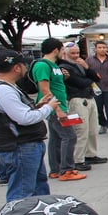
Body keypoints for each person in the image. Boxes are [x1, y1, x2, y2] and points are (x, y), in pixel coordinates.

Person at [0, 49, 59, 201]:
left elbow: (15, 113)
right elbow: (24, 118)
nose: (26, 67)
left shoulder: (5, 87)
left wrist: (37, 106)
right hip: (20, 146)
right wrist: (49, 107)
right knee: (22, 193)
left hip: (24, 145)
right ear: (16, 67)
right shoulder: (4, 90)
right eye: (23, 64)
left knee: (38, 189)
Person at [33, 38, 84, 182]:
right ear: (56, 50)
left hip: (59, 104)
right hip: (55, 107)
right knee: (69, 136)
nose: (63, 52)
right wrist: (58, 109)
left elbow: (55, 84)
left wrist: (64, 77)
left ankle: (56, 169)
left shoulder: (53, 65)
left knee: (56, 138)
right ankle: (66, 169)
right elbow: (44, 89)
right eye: (62, 50)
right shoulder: (42, 65)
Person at [59, 43, 108, 173]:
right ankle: (78, 159)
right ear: (65, 54)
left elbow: (97, 77)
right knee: (81, 130)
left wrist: (87, 69)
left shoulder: (81, 65)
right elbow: (79, 82)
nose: (76, 56)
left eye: (77, 53)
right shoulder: (64, 67)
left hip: (89, 97)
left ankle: (90, 154)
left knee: (92, 129)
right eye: (72, 53)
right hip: (76, 99)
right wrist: (89, 78)